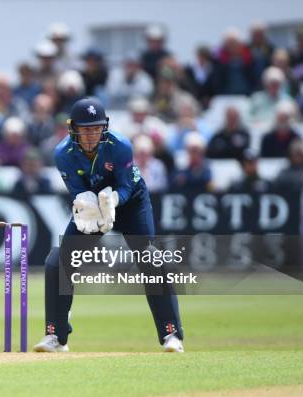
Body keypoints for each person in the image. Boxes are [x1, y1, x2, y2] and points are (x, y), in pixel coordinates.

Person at [33, 97, 183, 353]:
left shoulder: (121, 145)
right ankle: (56, 336)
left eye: (96, 128)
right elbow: (77, 191)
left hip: (130, 202)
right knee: (57, 261)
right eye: (85, 128)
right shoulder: (62, 153)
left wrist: (114, 200)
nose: (91, 134)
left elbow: (126, 185)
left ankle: (172, 335)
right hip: (93, 207)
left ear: (104, 127)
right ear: (73, 129)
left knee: (149, 257)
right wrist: (87, 204)